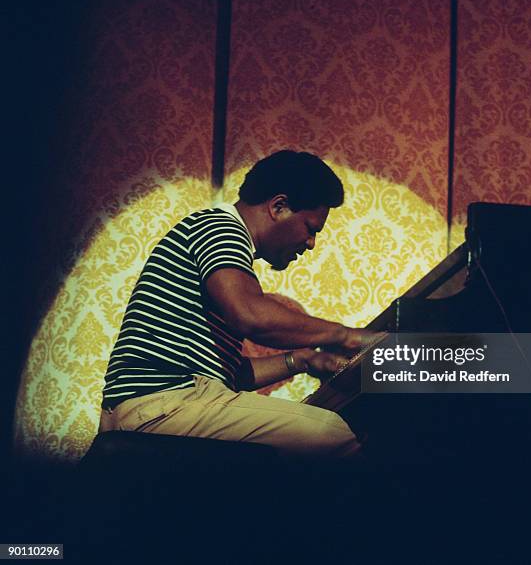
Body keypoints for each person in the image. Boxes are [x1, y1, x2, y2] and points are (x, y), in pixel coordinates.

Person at [99, 150, 380, 457]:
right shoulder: (218, 227)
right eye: (311, 228)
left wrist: (303, 360)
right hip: (160, 404)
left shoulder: (216, 239)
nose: (311, 243)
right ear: (279, 206)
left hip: (158, 406)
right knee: (332, 432)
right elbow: (250, 315)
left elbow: (225, 376)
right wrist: (348, 335)